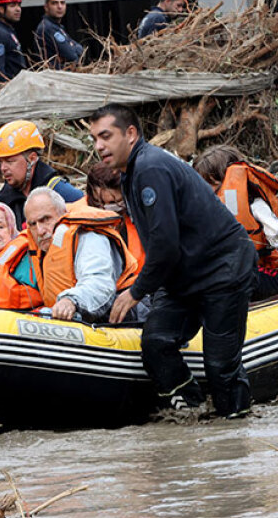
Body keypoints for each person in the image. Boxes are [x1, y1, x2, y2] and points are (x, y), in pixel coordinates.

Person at [93, 104, 257, 417]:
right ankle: (195, 413)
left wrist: (135, 291)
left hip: (222, 267)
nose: (99, 146)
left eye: (105, 136)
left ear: (130, 134)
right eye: (95, 139)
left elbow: (165, 245)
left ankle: (235, 431)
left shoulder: (151, 167)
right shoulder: (131, 173)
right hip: (182, 275)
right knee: (156, 342)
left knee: (221, 366)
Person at [192, 145, 278, 300]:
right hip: (236, 271)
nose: (207, 192)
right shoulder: (208, 210)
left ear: (226, 181)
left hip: (270, 276)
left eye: (211, 184)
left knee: (224, 275)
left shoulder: (255, 205)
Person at [23, 188, 138, 322]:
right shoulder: (39, 249)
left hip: (119, 316)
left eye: (46, 219)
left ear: (63, 214)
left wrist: (71, 301)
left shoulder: (90, 237)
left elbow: (99, 283)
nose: (40, 231)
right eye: (33, 224)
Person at [0, 119, 83, 228]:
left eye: (10, 161)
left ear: (32, 159)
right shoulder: (3, 201)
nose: (3, 168)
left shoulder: (61, 192)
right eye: (0, 162)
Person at [86, 162, 144, 267]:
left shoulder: (144, 217)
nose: (107, 208)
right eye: (100, 202)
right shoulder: (74, 219)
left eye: (114, 202)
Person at [34, 0, 84, 69]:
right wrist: (71, 46)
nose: (60, 7)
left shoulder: (58, 27)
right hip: (53, 77)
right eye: (54, 3)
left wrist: (71, 47)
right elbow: (72, 56)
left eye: (62, 3)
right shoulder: (48, 27)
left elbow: (81, 49)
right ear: (46, 7)